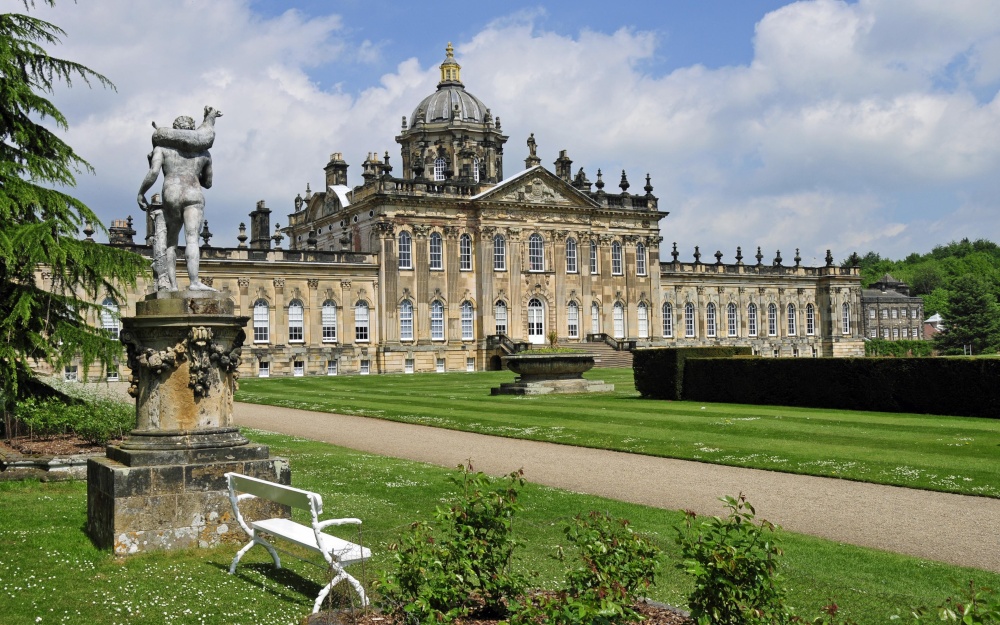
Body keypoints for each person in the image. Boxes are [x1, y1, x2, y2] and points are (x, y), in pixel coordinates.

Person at [137, 107, 222, 291]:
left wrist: (141, 192)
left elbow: (153, 173)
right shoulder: (204, 153)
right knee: (192, 239)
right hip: (193, 193)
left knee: (171, 242)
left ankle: (173, 286)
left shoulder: (162, 148)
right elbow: (208, 183)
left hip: (171, 192)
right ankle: (193, 282)